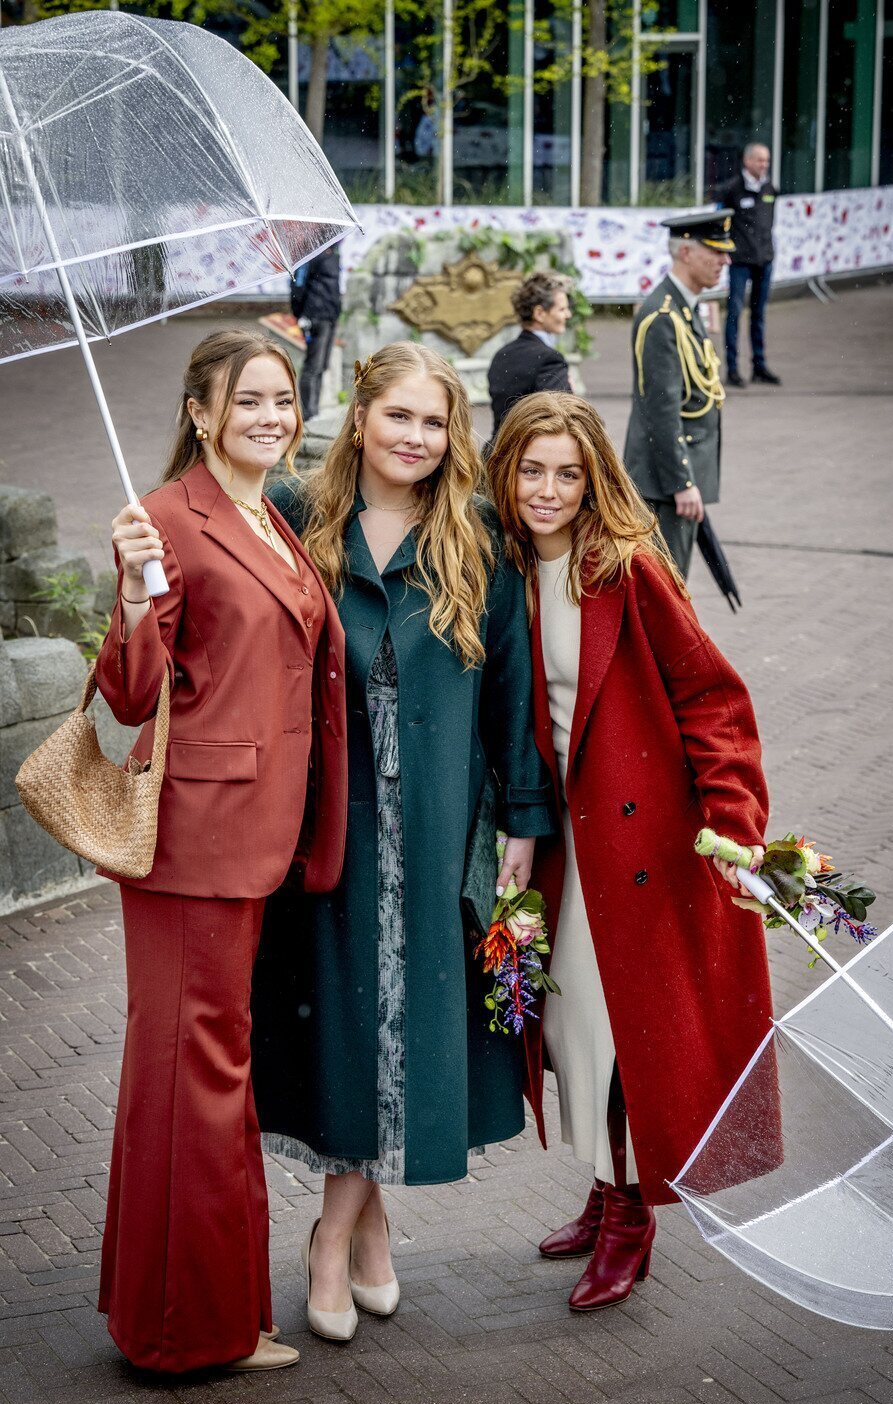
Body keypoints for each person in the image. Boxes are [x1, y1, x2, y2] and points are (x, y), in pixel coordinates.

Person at [251, 343, 554, 1343]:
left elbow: (510, 694)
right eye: (399, 418)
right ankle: (359, 1231)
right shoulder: (298, 516)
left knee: (408, 1021)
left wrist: (521, 822)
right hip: (323, 823)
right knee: (347, 1021)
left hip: (435, 825)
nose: (416, 439)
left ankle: (332, 1237)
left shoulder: (478, 540)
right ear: (360, 413)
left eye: (434, 422)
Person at [487, 391, 775, 1312]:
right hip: (553, 841)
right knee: (569, 1028)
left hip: (639, 845)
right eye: (532, 470)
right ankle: (606, 1190)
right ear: (507, 471)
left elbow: (711, 699)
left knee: (611, 1031)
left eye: (568, 474)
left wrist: (733, 821)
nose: (548, 490)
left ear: (594, 478)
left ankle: (633, 1218)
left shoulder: (628, 568)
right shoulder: (499, 568)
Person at [94, 329, 347, 1373]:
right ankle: (185, 1331)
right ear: (200, 411)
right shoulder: (165, 518)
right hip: (195, 844)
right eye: (248, 400)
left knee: (206, 1069)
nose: (271, 417)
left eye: (283, 399)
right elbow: (129, 691)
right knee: (194, 1070)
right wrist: (131, 590)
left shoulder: (267, 513)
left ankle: (205, 1310)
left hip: (258, 836)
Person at [623, 209, 732, 579]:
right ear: (686, 252)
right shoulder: (663, 316)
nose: (724, 260)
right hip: (665, 484)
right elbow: (661, 410)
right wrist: (682, 483)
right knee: (666, 591)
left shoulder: (684, 307)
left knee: (671, 588)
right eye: (715, 251)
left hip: (676, 480)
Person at [714, 142, 781, 387]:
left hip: (764, 260)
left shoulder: (770, 188)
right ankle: (732, 369)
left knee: (759, 315)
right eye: (760, 160)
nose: (764, 165)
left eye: (766, 161)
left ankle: (759, 366)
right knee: (734, 314)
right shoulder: (730, 190)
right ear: (747, 161)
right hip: (739, 261)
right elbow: (720, 224)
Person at [487, 272, 572, 440]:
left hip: (495, 453)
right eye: (562, 309)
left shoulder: (502, 354)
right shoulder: (550, 359)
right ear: (539, 313)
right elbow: (561, 418)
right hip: (527, 456)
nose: (568, 315)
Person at [291, 244, 343, 420]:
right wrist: (300, 314)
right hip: (313, 317)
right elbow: (298, 285)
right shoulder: (309, 254)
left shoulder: (334, 254)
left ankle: (315, 410)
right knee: (312, 366)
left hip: (330, 317)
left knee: (322, 366)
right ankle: (307, 412)